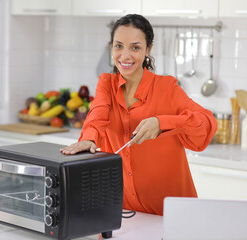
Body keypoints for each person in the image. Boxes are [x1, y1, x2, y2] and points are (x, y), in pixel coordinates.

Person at [60, 14, 217, 216]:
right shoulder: (106, 84)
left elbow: (206, 122)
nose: (125, 56)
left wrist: (162, 123)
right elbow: (98, 114)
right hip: (123, 213)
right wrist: (89, 138)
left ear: (148, 49)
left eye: (135, 47)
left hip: (172, 214)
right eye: (118, 46)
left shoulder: (167, 88)